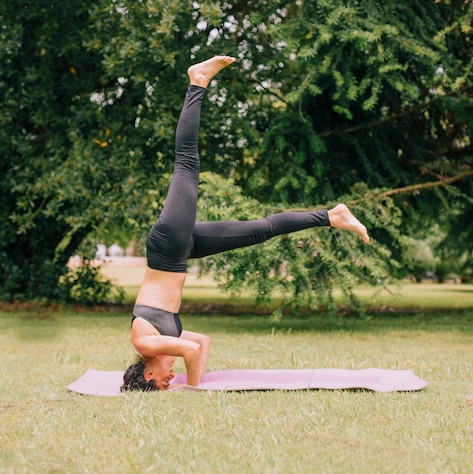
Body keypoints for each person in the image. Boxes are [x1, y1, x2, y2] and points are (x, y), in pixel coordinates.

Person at [121, 56, 369, 391]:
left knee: (186, 162)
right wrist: (194, 379)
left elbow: (190, 351)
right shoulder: (165, 338)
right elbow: (203, 343)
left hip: (167, 249)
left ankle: (197, 81)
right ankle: (330, 216)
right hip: (181, 252)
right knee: (262, 229)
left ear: (149, 375)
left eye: (165, 382)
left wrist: (192, 391)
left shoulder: (146, 344)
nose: (170, 379)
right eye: (172, 382)